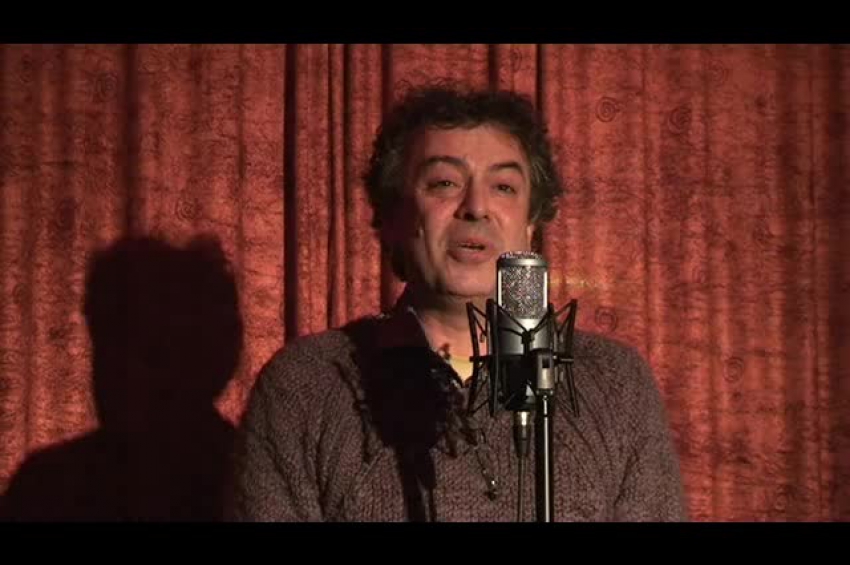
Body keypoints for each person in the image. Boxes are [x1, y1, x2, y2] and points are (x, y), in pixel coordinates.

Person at [226, 83, 688, 522]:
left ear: (531, 225)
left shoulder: (615, 385)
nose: (476, 207)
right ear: (393, 217)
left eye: (503, 187)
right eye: (444, 183)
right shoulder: (309, 385)